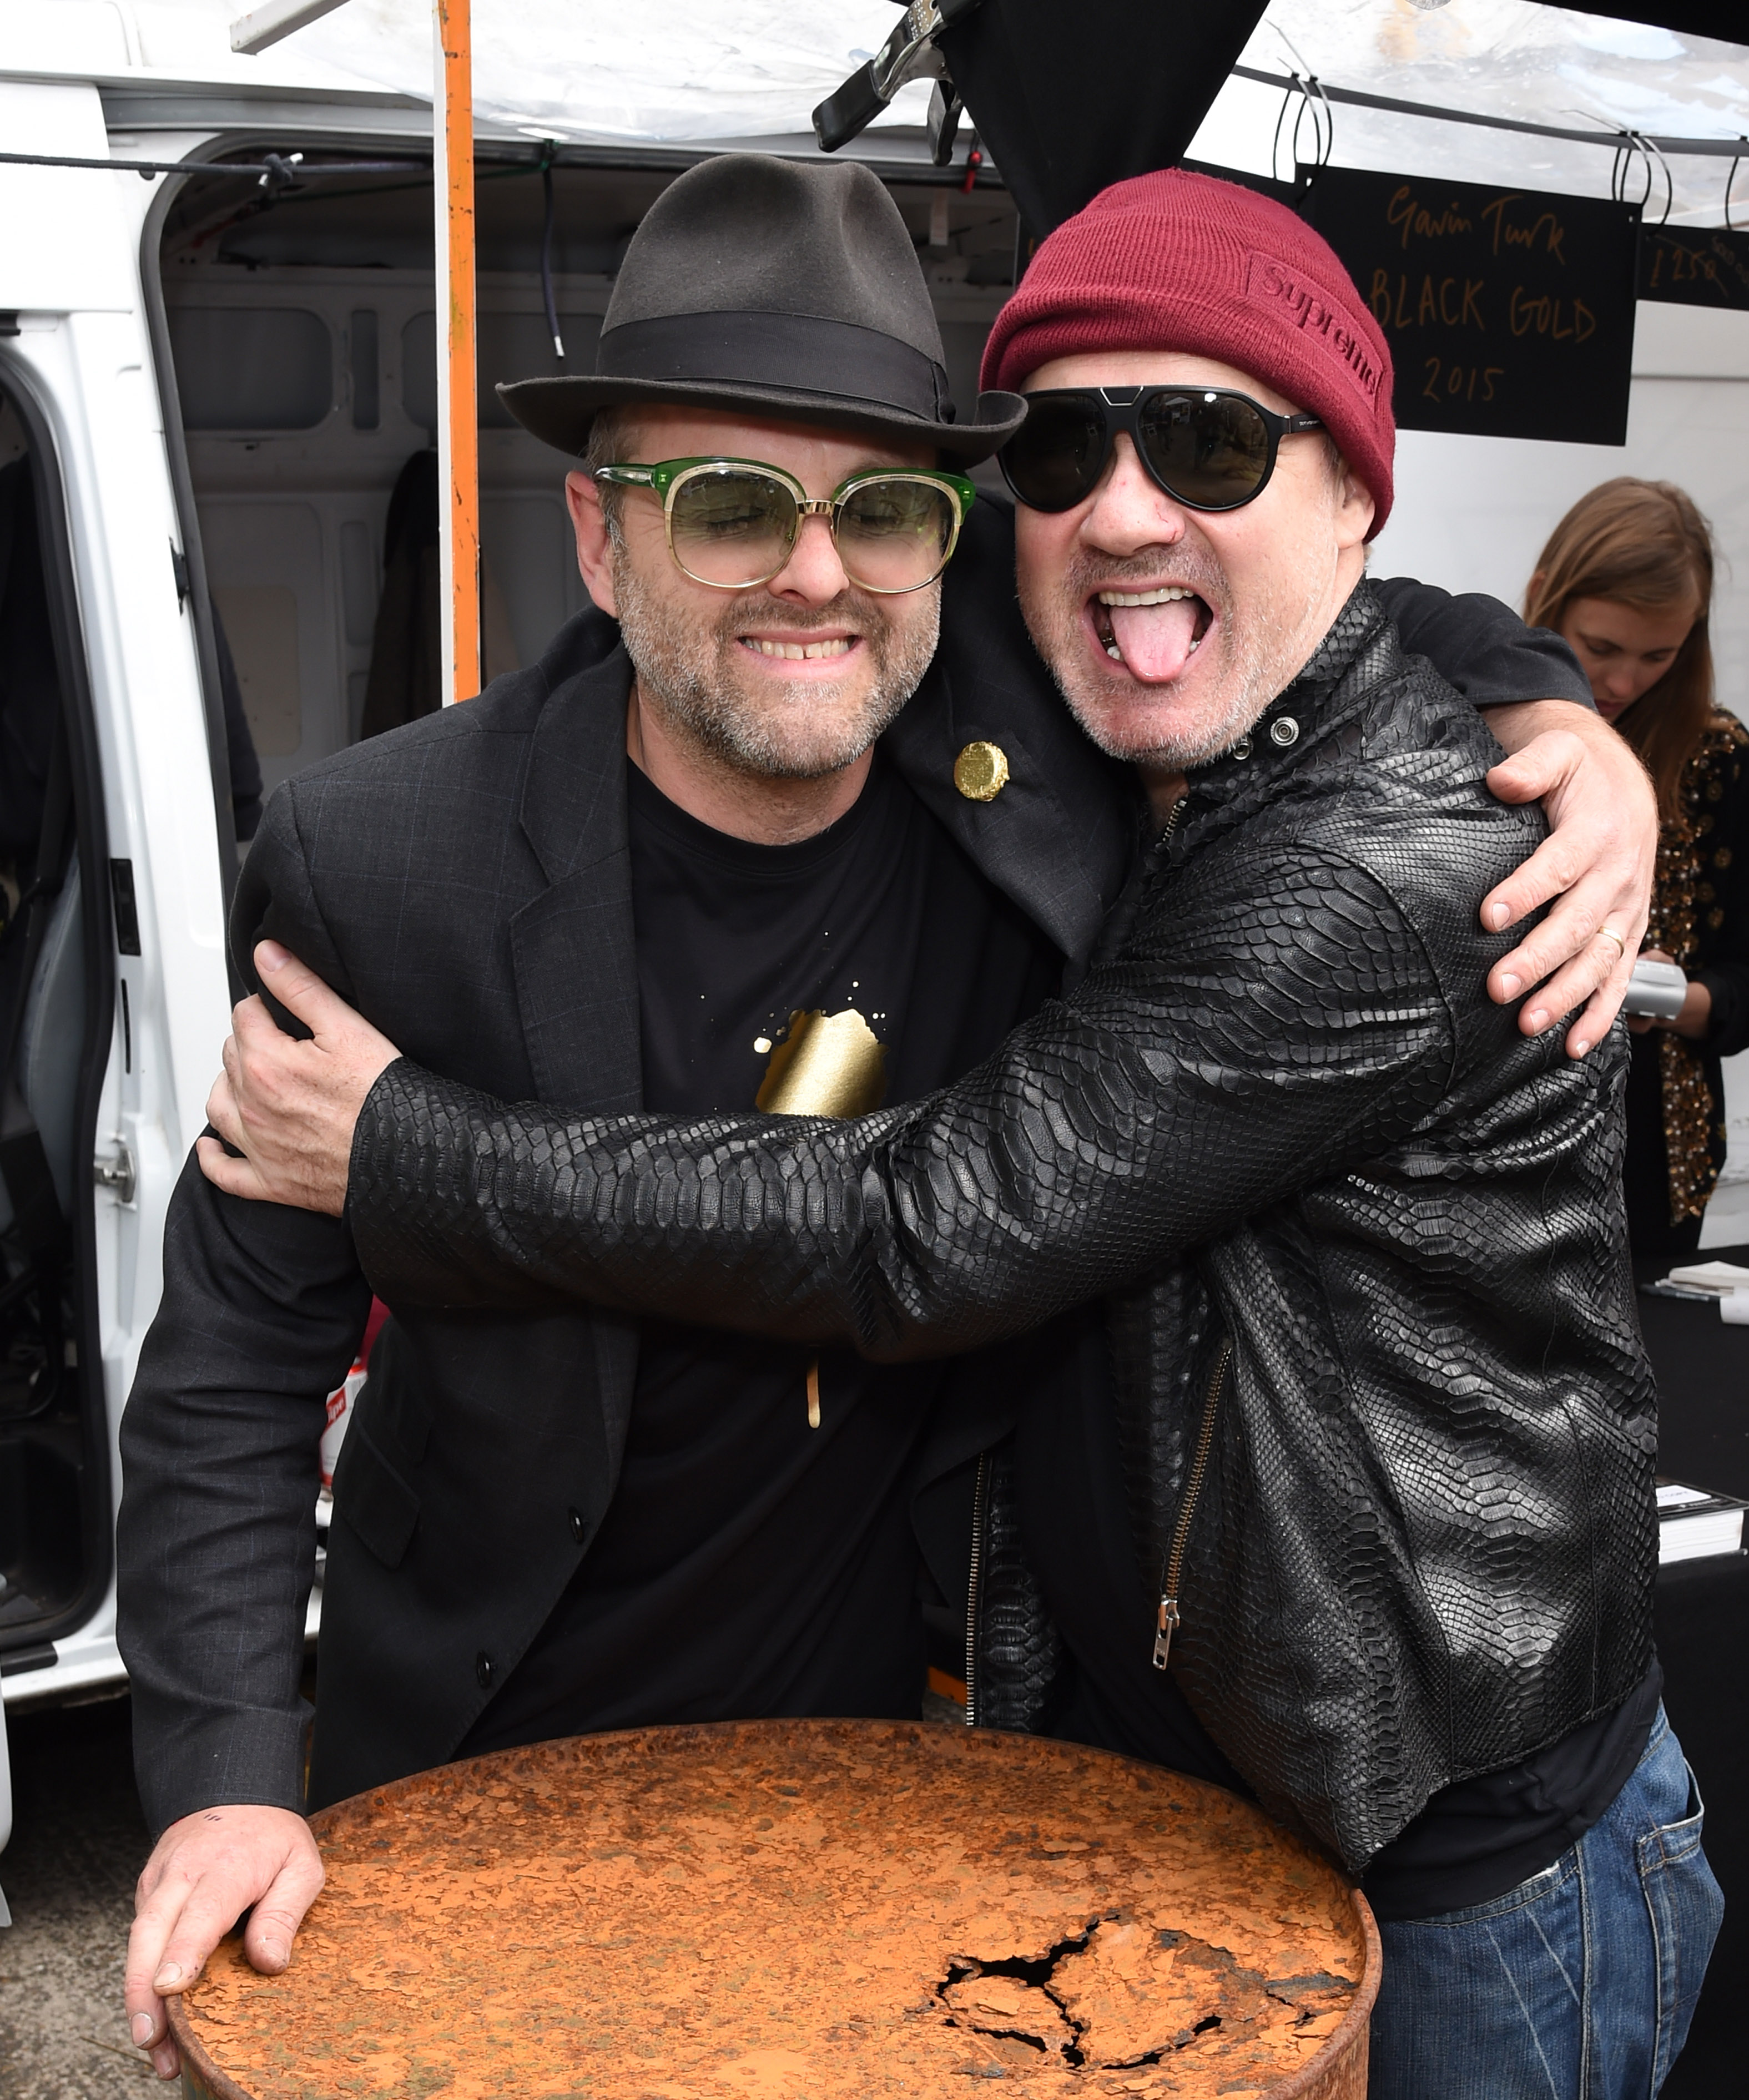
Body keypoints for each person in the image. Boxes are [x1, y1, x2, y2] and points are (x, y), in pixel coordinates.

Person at [122, 158, 1655, 2087]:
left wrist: (1548, 706)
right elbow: (232, 1361)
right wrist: (222, 1773)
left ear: (941, 540)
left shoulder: (1036, 791)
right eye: (732, 505)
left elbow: (1277, 593)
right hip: (473, 1761)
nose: (817, 572)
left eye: (883, 509)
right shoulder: (384, 852)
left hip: (879, 1779)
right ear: (598, 536)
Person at [1526, 478, 1749, 1268]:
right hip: (1496, 1146)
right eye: (1602, 648)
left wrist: (1675, 997)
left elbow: (1742, 982)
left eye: (1659, 655)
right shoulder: (1473, 723)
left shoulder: (1718, 760)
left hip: (1656, 1161)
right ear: (1545, 599)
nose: (1623, 683)